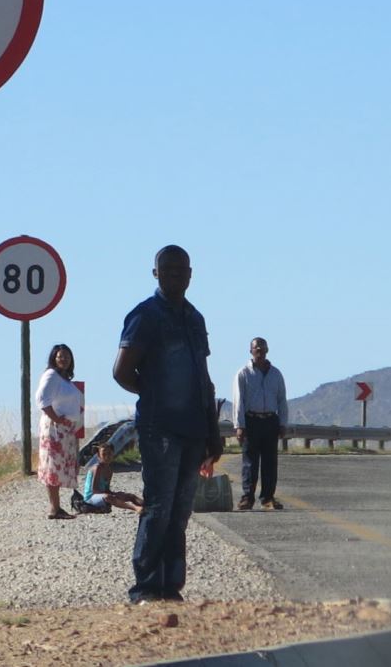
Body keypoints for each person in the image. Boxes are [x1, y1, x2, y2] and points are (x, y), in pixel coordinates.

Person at [112, 245, 223, 603]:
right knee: (159, 507)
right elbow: (122, 371)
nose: (176, 275)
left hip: (194, 428)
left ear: (191, 274)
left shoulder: (195, 318)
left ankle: (171, 587)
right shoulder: (145, 316)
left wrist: (212, 429)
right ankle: (145, 589)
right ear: (155, 273)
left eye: (182, 270)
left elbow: (204, 376)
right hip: (160, 428)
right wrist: (157, 394)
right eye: (169, 269)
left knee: (180, 511)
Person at [232, 337, 288, 510]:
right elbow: (238, 401)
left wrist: (282, 423)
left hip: (270, 421)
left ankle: (267, 498)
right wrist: (239, 425)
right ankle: (247, 498)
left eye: (263, 349)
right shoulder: (243, 373)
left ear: (267, 351)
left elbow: (281, 400)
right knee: (250, 462)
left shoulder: (276, 374)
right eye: (257, 349)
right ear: (251, 351)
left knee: (270, 462)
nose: (260, 352)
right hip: (251, 421)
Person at [36, 343, 83, 520]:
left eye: (67, 356)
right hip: (56, 429)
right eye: (60, 356)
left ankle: (57, 507)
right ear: (54, 358)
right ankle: (54, 508)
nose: (64, 359)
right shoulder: (51, 375)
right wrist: (56, 418)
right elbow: (41, 399)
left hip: (67, 429)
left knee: (60, 466)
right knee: (52, 466)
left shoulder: (64, 380)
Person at [82, 442, 144, 513]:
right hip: (91, 498)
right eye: (104, 454)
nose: (107, 456)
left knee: (130, 496)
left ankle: (147, 506)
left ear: (113, 454)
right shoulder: (97, 468)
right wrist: (112, 495)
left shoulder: (109, 470)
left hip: (102, 495)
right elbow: (94, 490)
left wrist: (116, 494)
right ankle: (135, 508)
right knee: (109, 497)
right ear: (99, 456)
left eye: (109, 454)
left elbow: (106, 489)